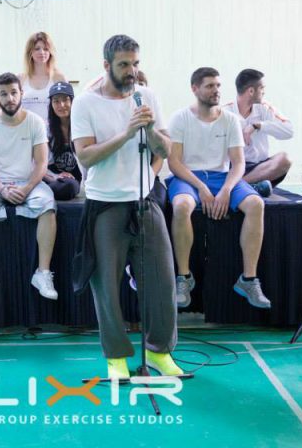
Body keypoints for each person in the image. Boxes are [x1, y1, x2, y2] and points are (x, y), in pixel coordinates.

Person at [71, 34, 182, 380]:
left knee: (162, 282)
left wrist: (149, 129)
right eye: (123, 64)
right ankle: (116, 357)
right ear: (106, 65)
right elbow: (85, 156)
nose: (131, 71)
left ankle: (160, 351)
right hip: (105, 205)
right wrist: (126, 133)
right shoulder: (85, 104)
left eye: (135, 63)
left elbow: (166, 150)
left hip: (144, 201)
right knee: (107, 287)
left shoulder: (146, 96)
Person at [166, 67, 270, 310]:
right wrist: (201, 187)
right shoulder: (180, 118)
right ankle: (184, 277)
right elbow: (174, 163)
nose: (216, 90)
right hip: (189, 177)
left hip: (222, 177)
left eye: (218, 86)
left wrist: (226, 190)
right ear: (195, 89)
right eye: (210, 86)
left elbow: (239, 163)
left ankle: (249, 279)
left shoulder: (230, 119)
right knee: (181, 206)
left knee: (256, 204)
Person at [0, 72, 58, 301]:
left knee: (48, 206)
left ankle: (43, 273)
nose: (10, 98)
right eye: (4, 94)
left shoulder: (35, 122)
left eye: (14, 93)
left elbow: (41, 164)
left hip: (30, 182)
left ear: (21, 94)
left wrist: (26, 188)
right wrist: (1, 188)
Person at [222, 69, 293, 197]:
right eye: (262, 88)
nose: (264, 92)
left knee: (285, 159)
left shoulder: (264, 107)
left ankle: (239, 186)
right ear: (251, 91)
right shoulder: (224, 112)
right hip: (232, 169)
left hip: (260, 169)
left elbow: (289, 131)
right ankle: (248, 187)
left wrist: (258, 125)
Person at [44, 81, 82, 200]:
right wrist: (56, 176)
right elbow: (39, 164)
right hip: (51, 178)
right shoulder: (46, 129)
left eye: (65, 100)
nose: (61, 105)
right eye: (56, 101)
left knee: (69, 186)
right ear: (51, 104)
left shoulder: (81, 126)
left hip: (72, 181)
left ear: (72, 101)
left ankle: (42, 192)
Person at [19, 32, 66, 123]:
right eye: (37, 49)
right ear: (30, 52)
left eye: (46, 49)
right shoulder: (20, 79)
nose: (42, 52)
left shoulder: (59, 78)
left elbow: (67, 109)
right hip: (26, 129)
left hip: (53, 130)